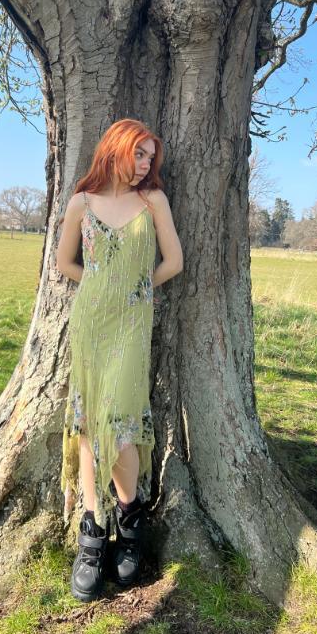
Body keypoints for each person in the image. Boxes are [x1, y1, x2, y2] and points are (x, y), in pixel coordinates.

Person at [55, 118, 183, 602]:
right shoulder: (81, 204)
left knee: (122, 423)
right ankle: (93, 532)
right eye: (140, 154)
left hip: (131, 327)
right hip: (89, 324)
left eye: (152, 157)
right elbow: (65, 263)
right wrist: (96, 287)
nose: (146, 164)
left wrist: (138, 289)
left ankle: (129, 517)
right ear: (116, 150)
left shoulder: (153, 202)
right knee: (89, 424)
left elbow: (174, 260)